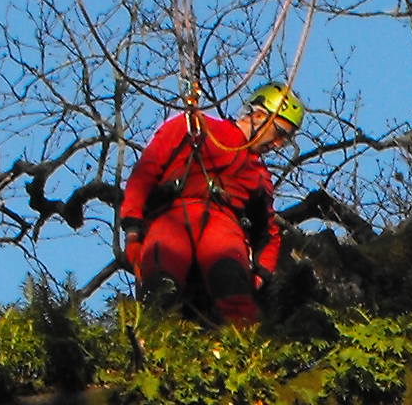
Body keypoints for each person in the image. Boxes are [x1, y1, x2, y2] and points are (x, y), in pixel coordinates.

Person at [117, 82, 303, 328]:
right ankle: (154, 344)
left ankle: (238, 347)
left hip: (222, 228)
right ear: (258, 116)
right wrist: (132, 231)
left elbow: (268, 232)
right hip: (171, 219)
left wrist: (260, 275)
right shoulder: (194, 128)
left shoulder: (258, 175)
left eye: (286, 140)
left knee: (233, 289)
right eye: (279, 132)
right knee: (161, 288)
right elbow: (144, 175)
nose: (278, 144)